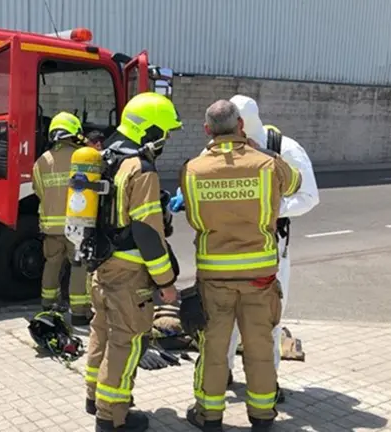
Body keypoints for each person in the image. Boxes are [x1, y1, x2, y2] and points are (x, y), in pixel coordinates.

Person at [178, 100, 302, 432]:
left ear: (207, 130)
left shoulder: (192, 170)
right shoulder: (267, 164)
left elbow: (193, 217)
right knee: (260, 347)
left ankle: (210, 417)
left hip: (215, 276)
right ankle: (262, 418)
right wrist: (264, 152)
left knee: (215, 348)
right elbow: (295, 183)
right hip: (259, 276)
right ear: (241, 127)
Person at [83, 92, 181, 432]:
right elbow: (148, 232)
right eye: (165, 133)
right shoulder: (141, 168)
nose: (166, 140)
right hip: (128, 272)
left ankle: (94, 396)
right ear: (151, 132)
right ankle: (113, 418)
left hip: (101, 265)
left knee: (101, 330)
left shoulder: (105, 156)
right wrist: (166, 282)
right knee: (126, 341)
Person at [224, 95, 320, 402]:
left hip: (271, 248)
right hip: (227, 246)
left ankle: (267, 383)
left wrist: (270, 209)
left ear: (243, 125)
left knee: (269, 319)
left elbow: (309, 197)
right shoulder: (222, 145)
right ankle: (221, 372)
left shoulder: (284, 149)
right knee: (223, 316)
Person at [33, 112, 94, 325]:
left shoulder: (41, 161)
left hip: (50, 226)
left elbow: (39, 191)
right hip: (76, 225)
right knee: (79, 266)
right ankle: (79, 312)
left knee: (52, 264)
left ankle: (47, 305)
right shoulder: (82, 156)